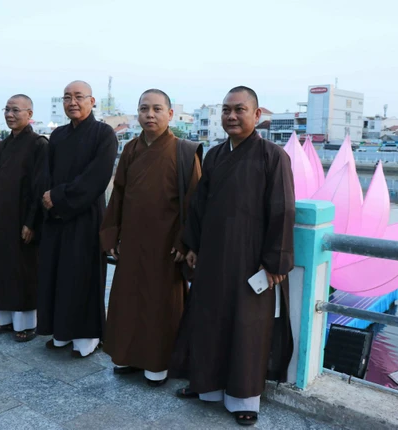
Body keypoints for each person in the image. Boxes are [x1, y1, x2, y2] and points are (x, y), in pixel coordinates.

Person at [169, 87, 295, 426]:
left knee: (246, 327)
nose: (232, 116)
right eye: (226, 110)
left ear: (257, 115)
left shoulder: (273, 156)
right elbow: (199, 205)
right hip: (212, 255)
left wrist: (275, 261)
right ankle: (207, 387)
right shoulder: (214, 155)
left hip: (250, 258)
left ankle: (243, 398)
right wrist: (192, 245)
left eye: (240, 110)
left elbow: (283, 209)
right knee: (208, 321)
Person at [100, 89, 201, 385]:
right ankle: (128, 356)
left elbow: (194, 201)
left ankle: (158, 364)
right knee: (128, 299)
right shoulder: (131, 149)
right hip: (132, 240)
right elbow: (118, 195)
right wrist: (112, 235)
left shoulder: (184, 151)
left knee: (161, 303)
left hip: (166, 243)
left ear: (170, 114)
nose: (150, 115)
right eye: (144, 109)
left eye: (157, 109)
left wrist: (185, 241)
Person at [37, 81, 117, 358]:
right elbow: (46, 173)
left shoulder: (104, 134)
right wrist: (48, 199)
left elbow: (97, 177)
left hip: (86, 218)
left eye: (79, 97)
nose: (73, 102)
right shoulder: (58, 135)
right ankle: (61, 332)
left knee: (82, 276)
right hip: (56, 217)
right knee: (57, 275)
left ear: (92, 101)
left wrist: (58, 196)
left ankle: (87, 338)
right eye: (67, 97)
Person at [0, 94, 47, 342]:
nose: (10, 115)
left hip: (23, 218)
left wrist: (31, 222)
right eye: (7, 110)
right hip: (3, 218)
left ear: (29, 114)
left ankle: (27, 324)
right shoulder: (4, 145)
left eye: (16, 110)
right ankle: (7, 320)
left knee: (24, 270)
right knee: (2, 269)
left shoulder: (39, 144)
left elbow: (40, 186)